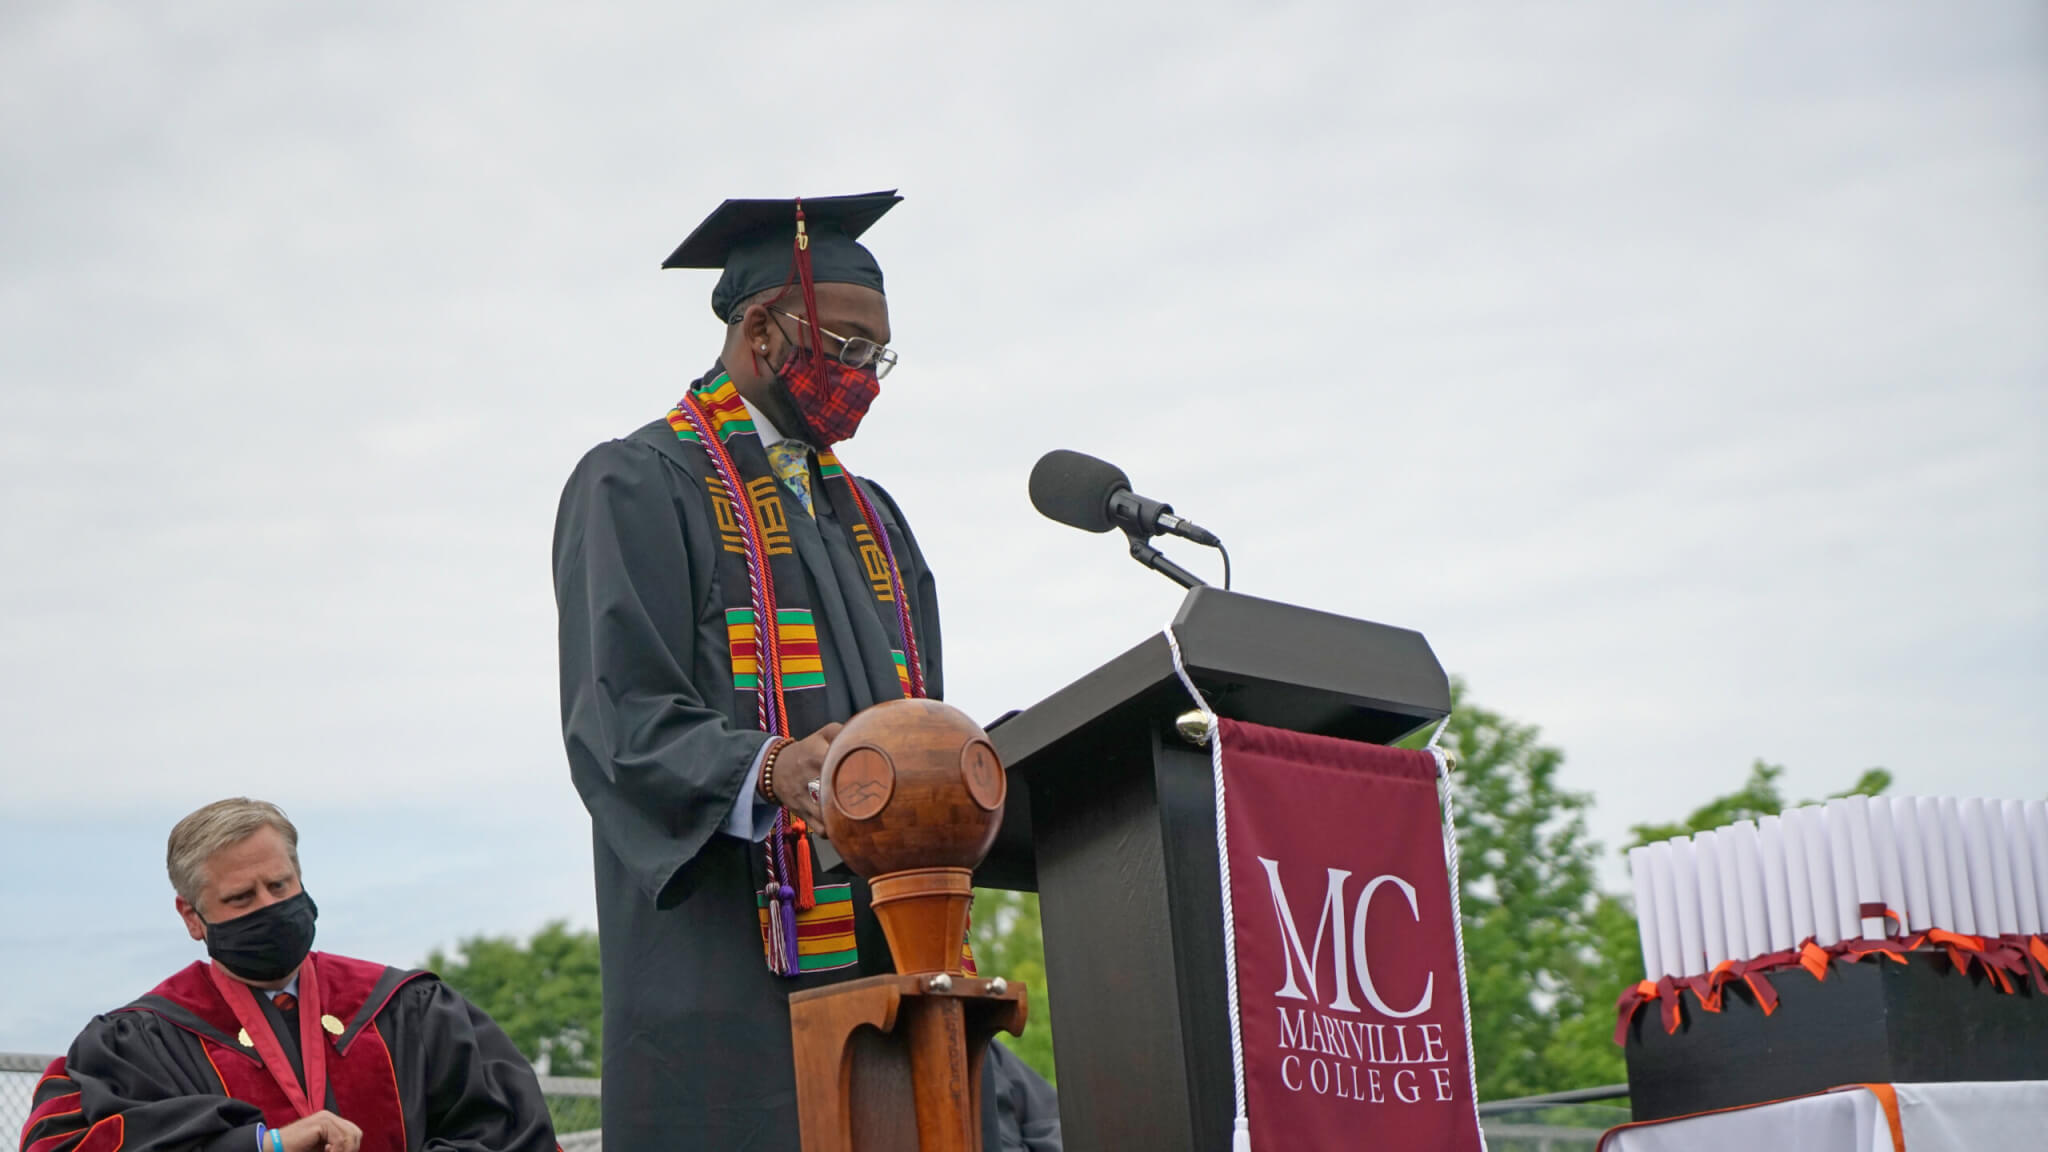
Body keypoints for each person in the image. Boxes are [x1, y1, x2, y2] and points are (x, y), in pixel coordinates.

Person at [553, 191, 1059, 1150]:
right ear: (759, 328)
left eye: (880, 356)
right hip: (736, 971)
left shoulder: (874, 518)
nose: (866, 375)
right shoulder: (637, 485)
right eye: (848, 346)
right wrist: (777, 769)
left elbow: (915, 730)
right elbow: (618, 722)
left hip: (901, 967)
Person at [16, 799, 557, 1152]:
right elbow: (63, 1144)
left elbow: (513, 1131)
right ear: (190, 916)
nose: (268, 906)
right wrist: (261, 1146)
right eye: (240, 898)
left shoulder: (408, 1010)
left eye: (280, 886)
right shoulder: (138, 1044)